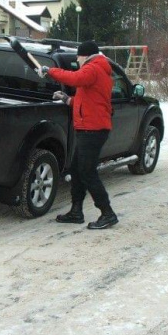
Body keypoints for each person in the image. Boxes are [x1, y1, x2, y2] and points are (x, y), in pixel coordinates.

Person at [37, 40, 118, 229]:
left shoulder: (93, 67)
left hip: (93, 129)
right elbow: (88, 101)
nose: (77, 61)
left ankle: (108, 213)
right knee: (77, 169)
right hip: (90, 127)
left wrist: (50, 71)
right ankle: (76, 211)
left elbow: (74, 78)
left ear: (84, 56)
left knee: (87, 172)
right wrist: (67, 99)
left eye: (78, 58)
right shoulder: (97, 70)